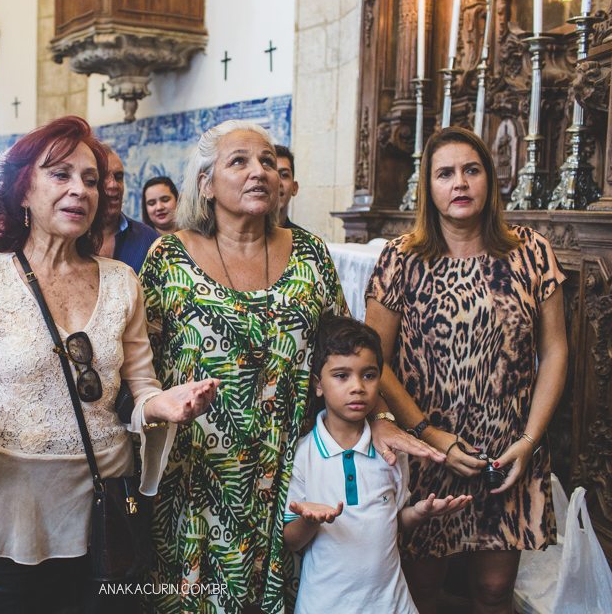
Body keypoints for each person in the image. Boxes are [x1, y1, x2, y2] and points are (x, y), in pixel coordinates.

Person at [139, 119, 442, 614]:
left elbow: (347, 353)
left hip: (290, 472)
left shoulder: (310, 254)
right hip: (197, 474)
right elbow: (140, 371)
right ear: (205, 184)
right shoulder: (168, 257)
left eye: (266, 161)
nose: (259, 171)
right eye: (239, 161)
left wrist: (380, 419)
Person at [0, 116, 219, 612]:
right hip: (4, 510)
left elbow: (141, 386)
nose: (80, 190)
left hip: (99, 513)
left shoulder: (123, 280)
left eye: (89, 179)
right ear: (22, 190)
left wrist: (162, 404)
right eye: (60, 174)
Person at [364, 127, 568, 614]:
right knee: (423, 588)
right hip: (428, 453)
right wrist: (432, 436)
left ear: (489, 181)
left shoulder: (531, 251)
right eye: (445, 173)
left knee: (495, 591)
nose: (460, 183)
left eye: (471, 170)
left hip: (507, 452)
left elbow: (556, 351)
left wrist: (529, 440)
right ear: (428, 187)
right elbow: (377, 359)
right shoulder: (401, 258)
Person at [282, 315, 471, 614]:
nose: (357, 387)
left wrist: (417, 514)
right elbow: (292, 541)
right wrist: (309, 518)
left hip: (391, 604)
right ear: (318, 384)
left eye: (368, 375)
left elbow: (392, 523)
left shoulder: (392, 451)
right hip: (323, 606)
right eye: (342, 375)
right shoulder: (303, 454)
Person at [96, 144, 159, 274]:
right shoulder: (72, 240)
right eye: (103, 177)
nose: (114, 185)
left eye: (118, 177)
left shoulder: (148, 238)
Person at [274, 145, 305, 231]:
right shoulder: (237, 241)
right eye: (271, 174)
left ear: (294, 188)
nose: (277, 182)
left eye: (283, 175)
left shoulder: (308, 243)